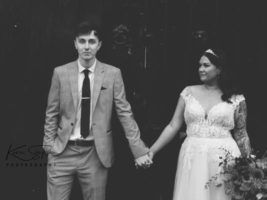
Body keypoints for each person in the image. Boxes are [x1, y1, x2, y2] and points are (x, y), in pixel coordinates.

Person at [43, 20, 152, 200]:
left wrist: (139, 150)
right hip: (62, 151)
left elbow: (125, 113)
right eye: (82, 41)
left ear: (99, 45)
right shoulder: (60, 73)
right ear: (75, 44)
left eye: (92, 41)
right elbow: (51, 112)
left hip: (95, 153)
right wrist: (49, 145)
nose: (87, 46)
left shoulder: (112, 74)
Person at [149, 48, 251, 200]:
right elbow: (173, 125)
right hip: (192, 155)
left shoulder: (236, 99)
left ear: (219, 69)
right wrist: (152, 151)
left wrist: (248, 165)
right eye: (199, 65)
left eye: (206, 65)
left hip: (224, 159)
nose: (201, 69)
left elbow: (241, 134)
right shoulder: (188, 92)